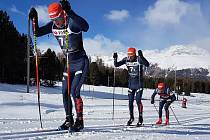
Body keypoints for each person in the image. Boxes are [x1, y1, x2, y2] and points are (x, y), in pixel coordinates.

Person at [29, 0, 89, 131]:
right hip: (69, 63)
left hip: (80, 62)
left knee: (74, 91)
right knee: (64, 92)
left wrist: (70, 11)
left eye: (58, 18)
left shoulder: (72, 23)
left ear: (63, 14)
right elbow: (36, 33)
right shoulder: (53, 26)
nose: (57, 22)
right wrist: (35, 18)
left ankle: (80, 121)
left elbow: (86, 27)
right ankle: (69, 120)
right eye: (53, 19)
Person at [113, 48, 149, 126]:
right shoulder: (126, 59)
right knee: (130, 102)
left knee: (138, 101)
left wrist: (142, 56)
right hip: (131, 84)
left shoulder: (138, 59)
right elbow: (116, 65)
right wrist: (115, 58)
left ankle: (140, 118)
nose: (130, 57)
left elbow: (147, 64)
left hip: (139, 83)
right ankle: (131, 117)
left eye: (131, 56)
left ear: (134, 54)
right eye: (128, 55)